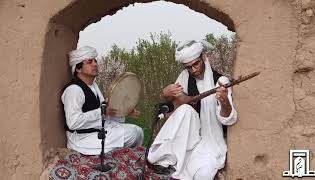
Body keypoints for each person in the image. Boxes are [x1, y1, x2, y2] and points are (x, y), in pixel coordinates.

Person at [147, 40, 237, 180]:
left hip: (211, 143)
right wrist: (165, 94)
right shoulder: (184, 78)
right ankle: (163, 160)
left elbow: (228, 118)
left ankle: (186, 163)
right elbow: (172, 109)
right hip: (189, 139)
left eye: (196, 63)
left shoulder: (220, 81)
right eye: (189, 67)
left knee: (204, 174)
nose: (194, 70)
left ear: (204, 58)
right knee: (185, 110)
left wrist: (224, 101)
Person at [61, 46, 143, 155]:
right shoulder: (74, 90)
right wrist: (102, 112)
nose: (95, 64)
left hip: (98, 131)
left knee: (138, 131)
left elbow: (106, 113)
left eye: (95, 61)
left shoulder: (94, 86)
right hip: (83, 139)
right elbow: (73, 122)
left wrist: (125, 111)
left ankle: (126, 158)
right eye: (89, 62)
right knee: (133, 133)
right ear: (78, 68)